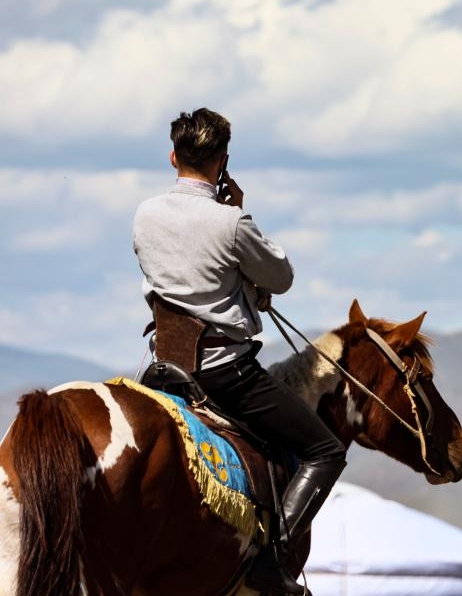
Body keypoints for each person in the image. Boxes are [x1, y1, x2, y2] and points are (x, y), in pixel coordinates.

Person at [133, 108, 346, 595]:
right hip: (224, 372)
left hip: (162, 367)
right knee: (325, 451)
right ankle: (272, 563)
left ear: (173, 158)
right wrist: (239, 222)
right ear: (223, 162)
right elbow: (282, 278)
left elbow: (178, 275)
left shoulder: (145, 214)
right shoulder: (232, 222)